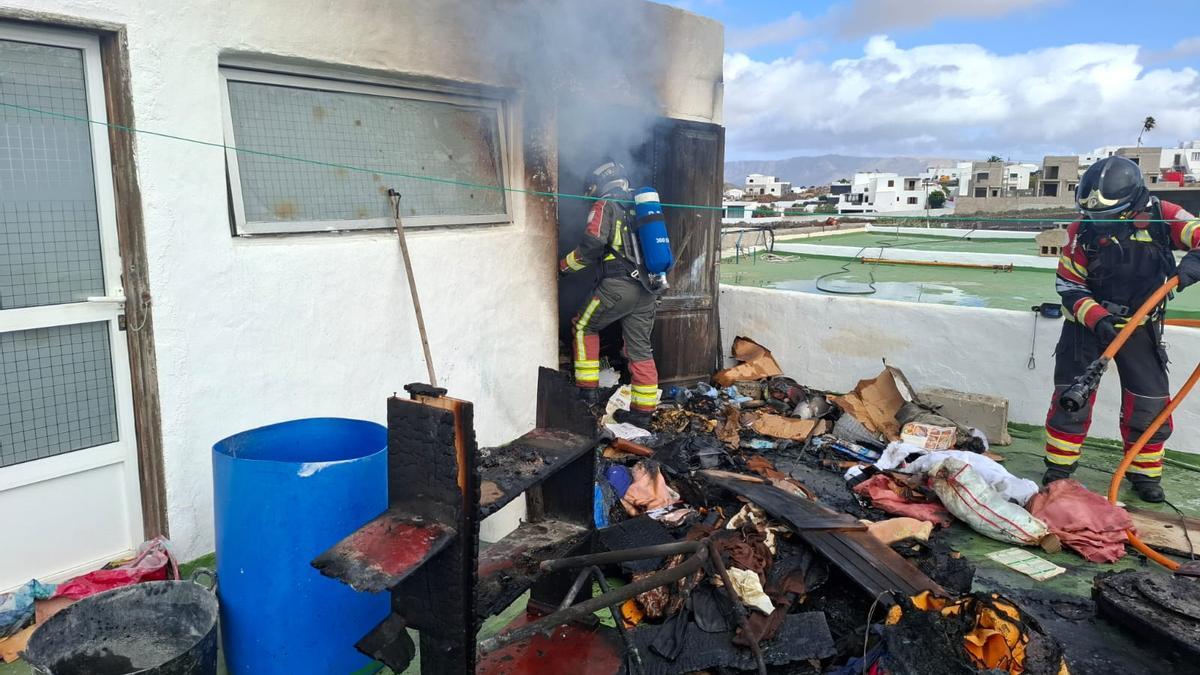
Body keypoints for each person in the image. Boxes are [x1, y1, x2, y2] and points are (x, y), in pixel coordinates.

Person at [1043, 155, 1200, 502]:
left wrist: (1194, 262)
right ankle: (1058, 469)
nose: (1098, 223)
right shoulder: (1080, 232)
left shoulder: (1163, 217)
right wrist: (1098, 319)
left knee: (1149, 402)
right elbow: (1069, 285)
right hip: (1085, 327)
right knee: (1071, 398)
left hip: (1140, 326)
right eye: (1093, 216)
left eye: (1107, 216)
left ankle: (1144, 474)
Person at [559, 160, 663, 427]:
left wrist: (563, 267)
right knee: (640, 349)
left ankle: (587, 394)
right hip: (648, 289)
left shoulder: (605, 205)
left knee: (583, 326)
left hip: (618, 288)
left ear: (599, 183)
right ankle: (642, 414)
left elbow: (592, 245)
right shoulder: (641, 207)